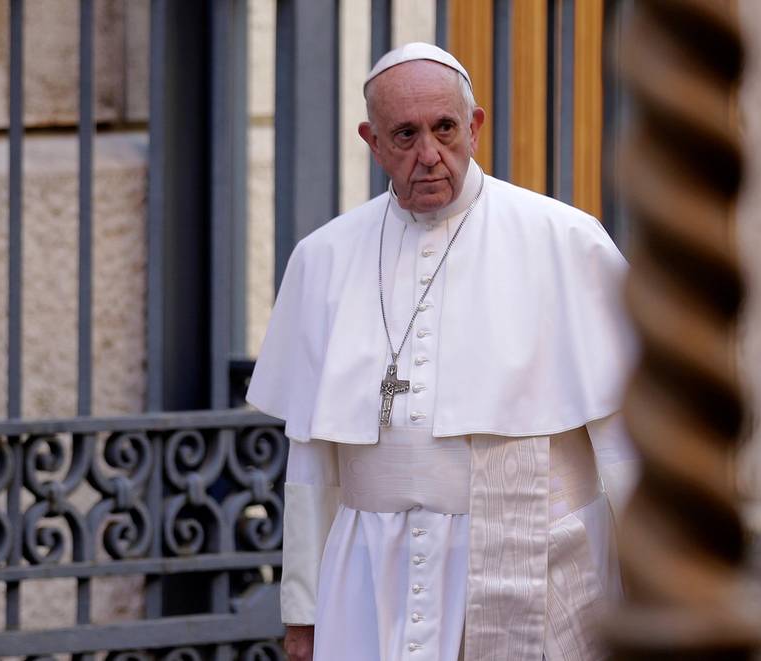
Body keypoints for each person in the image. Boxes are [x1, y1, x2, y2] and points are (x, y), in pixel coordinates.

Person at [247, 42, 638, 661]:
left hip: (531, 558)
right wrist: (303, 612)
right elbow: (311, 463)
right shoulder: (323, 258)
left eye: (445, 129)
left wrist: (654, 589)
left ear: (475, 127)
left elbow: (623, 439)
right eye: (404, 135)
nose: (428, 155)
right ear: (372, 141)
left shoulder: (562, 239)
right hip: (368, 572)